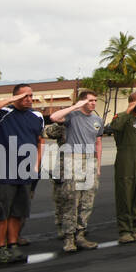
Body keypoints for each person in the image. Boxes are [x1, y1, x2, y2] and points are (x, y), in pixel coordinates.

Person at [0, 84, 43, 264]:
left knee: (17, 212)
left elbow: (39, 142)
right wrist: (11, 100)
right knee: (0, 211)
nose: (29, 99)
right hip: (3, 170)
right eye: (25, 96)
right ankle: (0, 248)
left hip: (26, 171)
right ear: (15, 97)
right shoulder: (2, 112)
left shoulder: (36, 116)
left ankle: (12, 245)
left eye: (31, 96)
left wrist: (36, 166)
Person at [49, 89, 104, 252]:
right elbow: (54, 117)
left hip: (90, 160)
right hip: (72, 159)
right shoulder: (72, 116)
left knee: (87, 201)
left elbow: (98, 142)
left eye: (95, 100)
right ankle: (69, 238)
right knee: (71, 200)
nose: (93, 103)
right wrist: (76, 106)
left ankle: (81, 235)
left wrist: (98, 166)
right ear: (82, 102)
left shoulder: (97, 120)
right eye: (90, 100)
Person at [106, 91, 136, 243]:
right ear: (131, 102)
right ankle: (124, 230)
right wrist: (128, 111)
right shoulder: (121, 117)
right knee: (125, 196)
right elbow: (114, 127)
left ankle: (135, 228)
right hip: (126, 161)